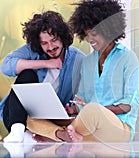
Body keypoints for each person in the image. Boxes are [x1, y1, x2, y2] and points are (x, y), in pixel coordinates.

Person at [28, 0, 139, 142]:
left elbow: (129, 104)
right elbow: (81, 100)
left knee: (93, 111)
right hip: (87, 125)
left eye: (93, 34)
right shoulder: (87, 62)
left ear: (108, 30)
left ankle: (56, 136)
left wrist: (98, 109)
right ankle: (66, 136)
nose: (89, 39)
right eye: (86, 35)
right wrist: (73, 109)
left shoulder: (128, 58)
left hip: (118, 128)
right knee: (31, 117)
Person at [0, 10, 85, 142]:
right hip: (18, 117)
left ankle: (50, 135)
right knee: (27, 74)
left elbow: (89, 90)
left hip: (50, 118)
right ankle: (19, 130)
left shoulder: (78, 59)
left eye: (54, 40)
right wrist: (46, 63)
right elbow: (6, 66)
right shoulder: (32, 51)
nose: (50, 47)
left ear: (62, 37)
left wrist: (73, 109)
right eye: (44, 43)